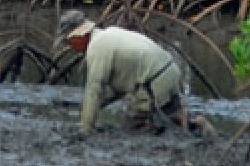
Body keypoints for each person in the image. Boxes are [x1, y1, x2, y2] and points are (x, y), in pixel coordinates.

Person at [55, 10, 187, 135]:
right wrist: (86, 106)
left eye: (69, 41)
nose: (70, 46)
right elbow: (116, 90)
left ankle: (160, 129)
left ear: (79, 35)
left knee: (130, 126)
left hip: (154, 81)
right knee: (174, 119)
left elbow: (94, 90)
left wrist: (86, 128)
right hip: (170, 70)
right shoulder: (109, 34)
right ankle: (194, 124)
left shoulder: (97, 47)